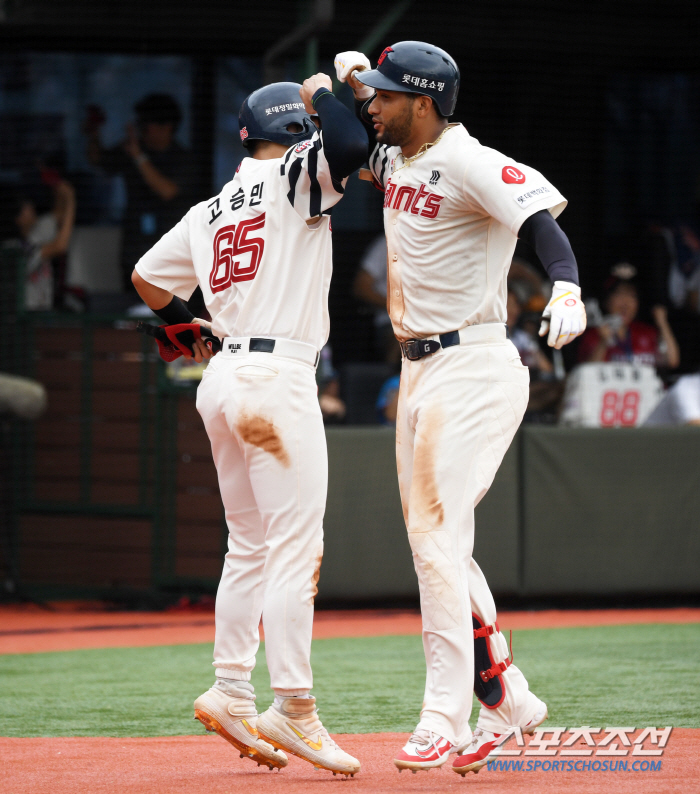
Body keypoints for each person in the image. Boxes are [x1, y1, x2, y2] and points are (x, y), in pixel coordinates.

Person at [335, 42, 587, 775]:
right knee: (438, 546)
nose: (372, 104)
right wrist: (346, 80)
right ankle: (507, 699)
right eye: (372, 93)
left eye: (386, 94)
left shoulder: (471, 159)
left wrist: (566, 285)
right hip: (417, 371)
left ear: (424, 103)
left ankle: (443, 714)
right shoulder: (393, 154)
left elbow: (540, 220)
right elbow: (355, 126)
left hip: (473, 364)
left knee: (436, 541)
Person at [131, 75, 366, 777]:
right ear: (296, 130)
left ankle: (232, 687)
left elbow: (145, 275)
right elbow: (350, 140)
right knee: (296, 549)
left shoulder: (209, 208)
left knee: (252, 546)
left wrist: (181, 321)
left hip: (224, 377)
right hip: (276, 379)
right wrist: (326, 88)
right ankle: (296, 709)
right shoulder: (298, 172)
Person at [85, 94, 196, 290]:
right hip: (135, 245)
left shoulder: (182, 158)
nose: (142, 130)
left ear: (166, 126)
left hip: (169, 248)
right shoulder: (133, 149)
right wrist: (93, 132)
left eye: (146, 125)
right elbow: (99, 161)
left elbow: (167, 190)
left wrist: (138, 157)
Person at [578, 269, 680, 370]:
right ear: (606, 301)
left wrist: (662, 322)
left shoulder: (647, 332)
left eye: (632, 296)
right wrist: (603, 343)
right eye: (619, 294)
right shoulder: (593, 335)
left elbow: (672, 361)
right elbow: (588, 374)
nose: (626, 303)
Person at [12, 179, 76, 310]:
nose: (31, 208)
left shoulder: (35, 232)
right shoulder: (14, 248)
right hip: (25, 315)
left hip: (42, 311)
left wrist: (59, 189)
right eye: (26, 208)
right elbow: (60, 246)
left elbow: (58, 215)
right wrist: (71, 199)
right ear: (18, 219)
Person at [353, 234, 400, 363]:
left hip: (432, 320)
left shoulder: (439, 243)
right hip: (392, 323)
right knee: (408, 337)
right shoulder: (388, 242)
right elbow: (361, 287)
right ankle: (393, 381)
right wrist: (397, 307)